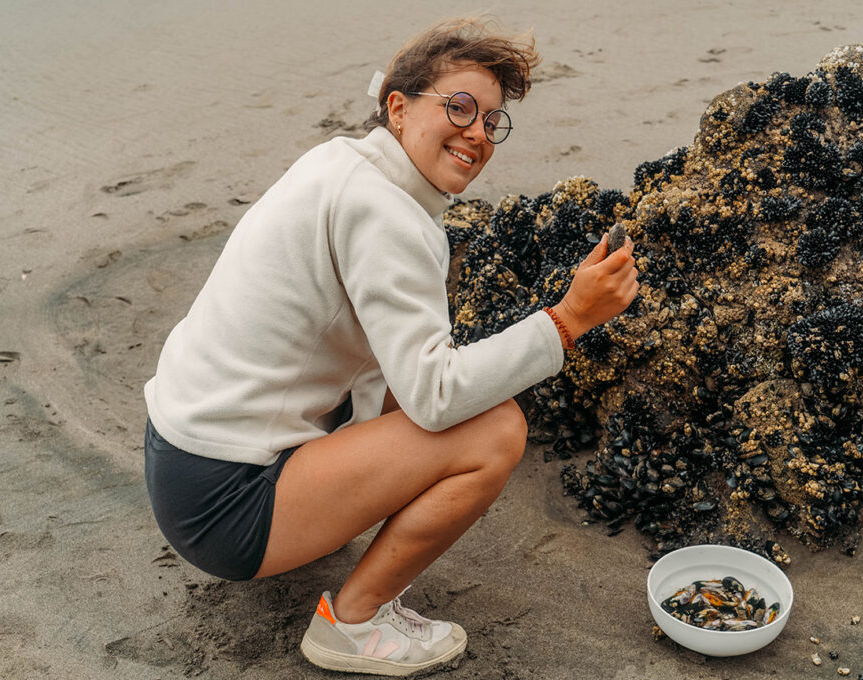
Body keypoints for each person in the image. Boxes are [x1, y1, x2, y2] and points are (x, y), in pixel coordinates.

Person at [143, 17, 638, 677]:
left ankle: (315, 532)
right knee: (494, 431)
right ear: (398, 108)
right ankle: (353, 624)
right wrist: (570, 318)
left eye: (492, 121)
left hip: (181, 459)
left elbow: (392, 376)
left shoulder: (338, 164)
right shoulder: (385, 213)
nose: (477, 133)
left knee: (428, 394)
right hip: (224, 503)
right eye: (459, 107)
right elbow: (435, 400)